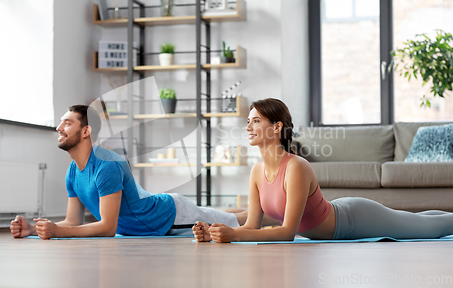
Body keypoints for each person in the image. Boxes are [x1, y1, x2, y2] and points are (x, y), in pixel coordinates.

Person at [193, 98, 453, 243]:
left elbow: (287, 233)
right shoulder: (257, 172)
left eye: (256, 121)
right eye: (247, 122)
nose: (248, 127)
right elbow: (253, 224)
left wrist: (233, 237)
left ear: (276, 127)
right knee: (419, 218)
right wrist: (215, 231)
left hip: (353, 220)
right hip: (343, 214)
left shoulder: (296, 167)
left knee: (428, 228)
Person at [10, 105, 250, 239]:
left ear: (86, 132)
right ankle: (261, 211)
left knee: (234, 222)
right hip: (157, 215)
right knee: (219, 213)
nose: (59, 128)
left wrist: (58, 232)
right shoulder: (73, 171)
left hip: (166, 218)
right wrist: (33, 229)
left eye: (67, 123)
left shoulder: (107, 166)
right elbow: (73, 221)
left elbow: (107, 228)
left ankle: (274, 215)